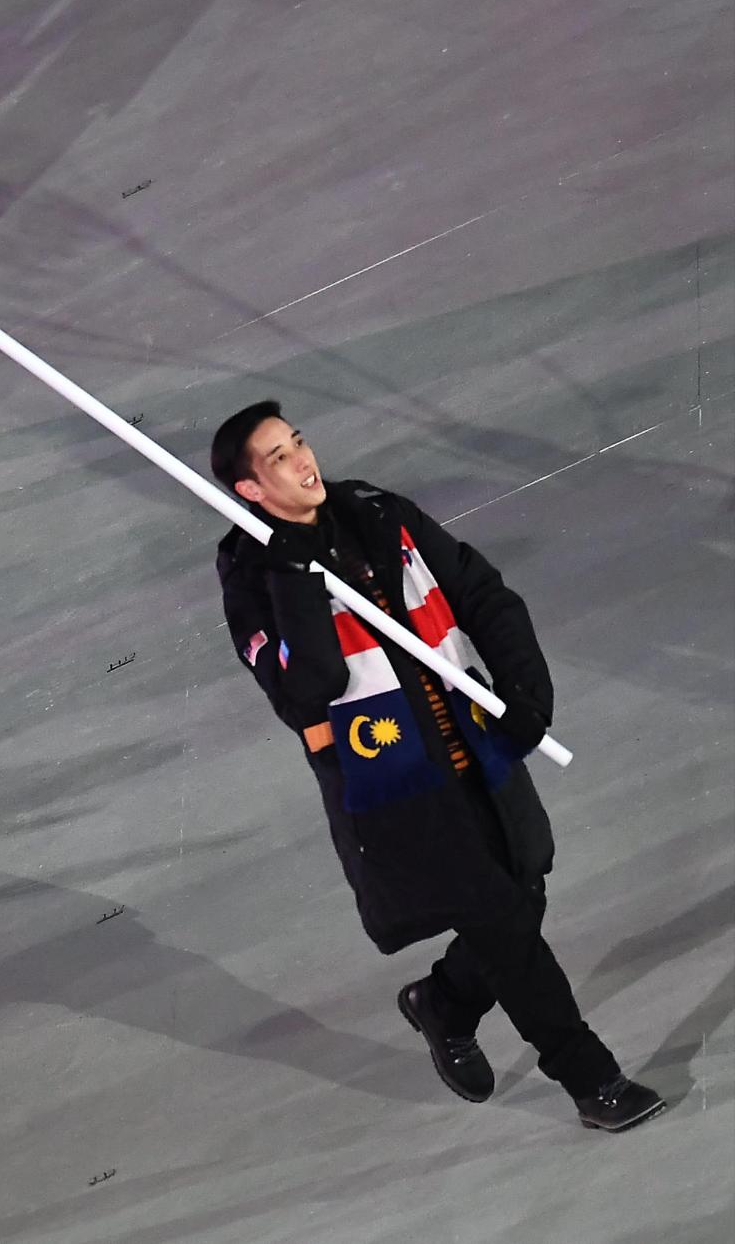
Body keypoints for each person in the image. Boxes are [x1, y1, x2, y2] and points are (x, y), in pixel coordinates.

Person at [210, 401, 665, 1133]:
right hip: (398, 792)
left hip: (476, 749)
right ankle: (594, 1081)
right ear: (250, 491)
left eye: (298, 441)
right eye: (277, 459)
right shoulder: (253, 581)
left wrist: (525, 693)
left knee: (524, 888)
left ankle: (445, 1001)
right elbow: (309, 689)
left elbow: (479, 590)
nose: (302, 460)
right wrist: (294, 578)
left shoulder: (375, 513)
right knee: (503, 925)